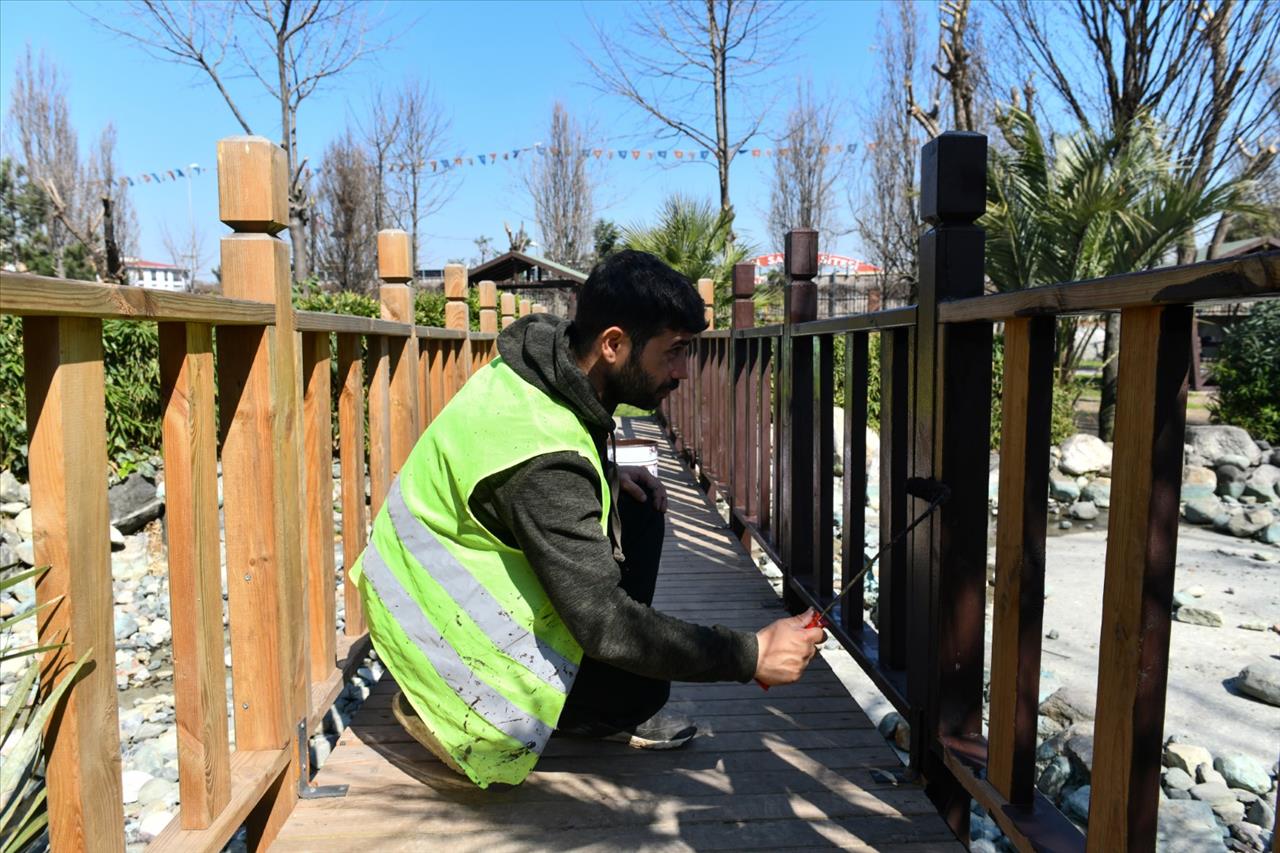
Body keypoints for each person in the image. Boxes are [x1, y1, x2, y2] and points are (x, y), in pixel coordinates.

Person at [351, 250, 825, 789]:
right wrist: (752, 653)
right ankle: (442, 711)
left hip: (424, 595)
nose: (680, 373)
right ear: (614, 344)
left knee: (638, 513)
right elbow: (605, 624)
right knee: (640, 691)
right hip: (452, 653)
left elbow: (552, 457)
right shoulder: (544, 466)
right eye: (673, 353)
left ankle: (589, 702)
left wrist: (604, 473)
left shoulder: (545, 362)